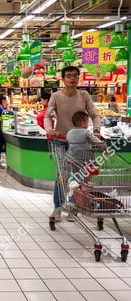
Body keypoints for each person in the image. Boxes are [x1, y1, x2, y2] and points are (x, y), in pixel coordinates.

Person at [44, 65, 101, 222]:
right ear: (63, 79)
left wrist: (96, 130)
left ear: (78, 78)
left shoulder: (84, 95)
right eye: (68, 76)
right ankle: (58, 207)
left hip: (81, 143)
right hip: (61, 141)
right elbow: (47, 116)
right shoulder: (55, 96)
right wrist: (49, 129)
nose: (72, 78)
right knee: (61, 176)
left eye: (75, 75)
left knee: (80, 175)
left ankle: (75, 206)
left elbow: (95, 115)